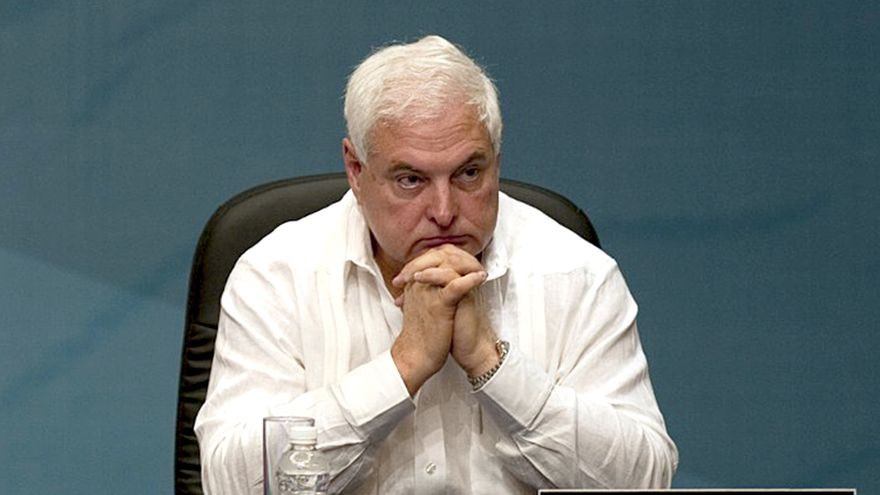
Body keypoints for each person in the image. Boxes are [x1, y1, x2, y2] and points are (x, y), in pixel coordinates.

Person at [195, 35, 678, 494]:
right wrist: (402, 366)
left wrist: (492, 365)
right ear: (356, 170)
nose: (444, 211)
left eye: (469, 173)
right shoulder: (276, 276)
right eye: (410, 180)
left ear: (497, 161)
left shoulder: (577, 275)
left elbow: (644, 481)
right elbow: (232, 484)